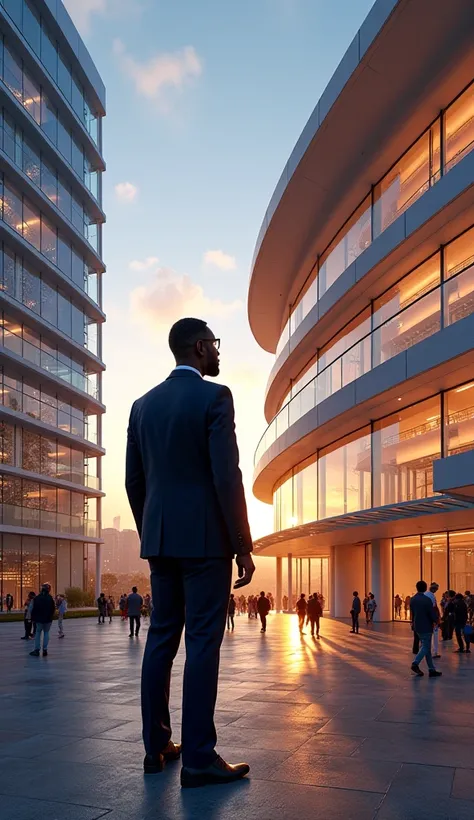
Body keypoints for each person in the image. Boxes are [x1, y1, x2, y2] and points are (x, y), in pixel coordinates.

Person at [126, 317, 254, 788]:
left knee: (161, 639)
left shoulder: (141, 406)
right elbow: (226, 477)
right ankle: (199, 756)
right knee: (202, 642)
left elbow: (134, 483)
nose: (218, 352)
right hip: (206, 544)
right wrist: (242, 546)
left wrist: (154, 532)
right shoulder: (214, 397)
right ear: (200, 348)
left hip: (161, 542)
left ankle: (157, 747)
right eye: (214, 345)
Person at [410, 581, 441, 677]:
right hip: (426, 626)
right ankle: (415, 663)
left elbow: (413, 613)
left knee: (426, 647)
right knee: (425, 647)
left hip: (417, 626)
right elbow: (431, 613)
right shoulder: (426, 600)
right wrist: (437, 621)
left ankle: (431, 669)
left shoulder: (413, 599)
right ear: (425, 588)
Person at [29, 583, 55, 657]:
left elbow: (31, 609)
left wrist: (32, 617)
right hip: (48, 619)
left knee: (38, 632)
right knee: (46, 633)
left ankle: (37, 649)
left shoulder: (36, 598)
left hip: (38, 619)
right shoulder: (50, 598)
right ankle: (45, 650)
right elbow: (53, 609)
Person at [425, 583, 441, 659]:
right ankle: (434, 652)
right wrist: (436, 619)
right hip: (432, 619)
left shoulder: (426, 594)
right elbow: (433, 608)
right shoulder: (431, 596)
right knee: (435, 635)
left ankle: (426, 651)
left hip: (426, 619)